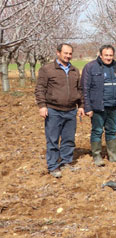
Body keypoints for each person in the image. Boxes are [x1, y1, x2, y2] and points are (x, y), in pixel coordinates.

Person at [35, 43, 85, 178]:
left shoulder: (74, 70)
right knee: (52, 140)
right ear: (58, 53)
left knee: (68, 139)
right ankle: (53, 166)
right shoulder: (47, 69)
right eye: (65, 53)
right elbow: (40, 88)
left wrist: (81, 106)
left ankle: (66, 162)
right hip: (53, 110)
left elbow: (79, 90)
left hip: (70, 110)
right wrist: (42, 106)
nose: (68, 56)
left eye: (70, 53)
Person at [81, 44, 116, 166]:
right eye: (106, 55)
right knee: (97, 131)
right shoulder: (90, 67)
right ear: (100, 55)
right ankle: (97, 156)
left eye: (111, 55)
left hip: (113, 106)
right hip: (98, 106)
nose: (108, 58)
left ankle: (113, 155)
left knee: (112, 130)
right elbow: (85, 89)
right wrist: (88, 107)